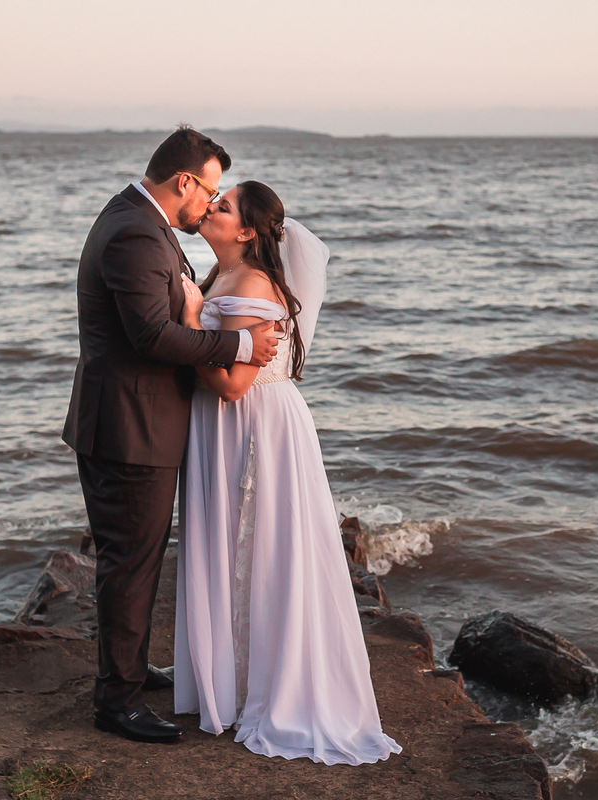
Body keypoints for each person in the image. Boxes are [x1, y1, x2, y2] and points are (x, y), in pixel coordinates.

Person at [62, 127, 280, 744]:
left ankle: (129, 672)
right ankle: (117, 702)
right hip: (128, 428)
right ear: (184, 181)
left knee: (137, 558)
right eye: (209, 191)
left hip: (135, 422)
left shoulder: (141, 222)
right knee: (129, 563)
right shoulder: (135, 231)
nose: (208, 205)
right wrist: (239, 344)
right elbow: (152, 336)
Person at [174, 181, 402, 765]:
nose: (211, 207)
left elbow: (231, 385)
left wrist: (193, 322)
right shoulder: (220, 275)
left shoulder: (252, 285)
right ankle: (230, 678)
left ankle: (269, 686)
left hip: (253, 423)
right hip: (226, 425)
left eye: (224, 206)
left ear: (248, 231)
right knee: (235, 543)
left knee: (264, 547)